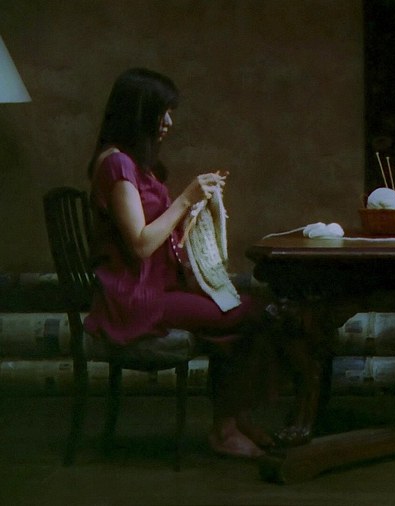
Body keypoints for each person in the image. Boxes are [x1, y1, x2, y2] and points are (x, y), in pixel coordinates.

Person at [83, 68, 319, 459]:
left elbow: (158, 233)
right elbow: (141, 244)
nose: (168, 123)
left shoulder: (133, 165)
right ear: (138, 114)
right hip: (136, 298)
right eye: (162, 113)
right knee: (255, 313)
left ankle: (233, 421)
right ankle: (227, 427)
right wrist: (186, 198)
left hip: (156, 288)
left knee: (241, 316)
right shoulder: (116, 165)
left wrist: (197, 211)